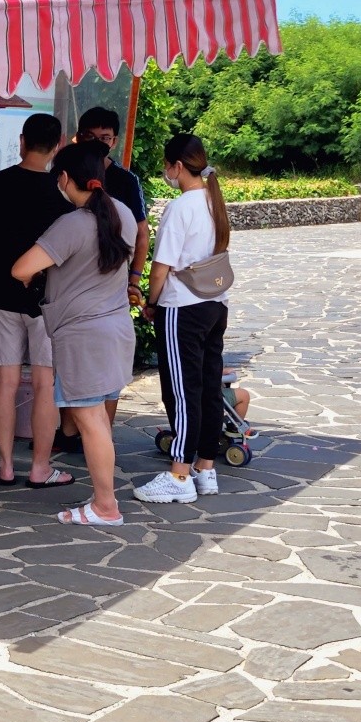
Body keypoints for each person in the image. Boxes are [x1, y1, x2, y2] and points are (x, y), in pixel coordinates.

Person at [12, 140, 135, 526]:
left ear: (65, 179)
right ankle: (104, 501)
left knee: (91, 423)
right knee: (98, 420)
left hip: (83, 335)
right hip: (115, 328)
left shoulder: (73, 224)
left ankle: (105, 506)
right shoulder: (124, 215)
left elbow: (20, 268)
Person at [0, 113, 74, 489]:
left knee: (6, 382)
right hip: (49, 300)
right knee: (46, 383)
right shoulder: (61, 192)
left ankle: (5, 466)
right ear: (58, 145)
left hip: (2, 295)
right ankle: (40, 468)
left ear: (21, 141)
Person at [134, 133, 232, 503]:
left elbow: (160, 268)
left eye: (166, 166)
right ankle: (205, 469)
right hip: (214, 303)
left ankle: (178, 474)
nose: (166, 173)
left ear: (176, 166)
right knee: (206, 387)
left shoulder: (181, 207)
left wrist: (151, 302)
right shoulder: (214, 201)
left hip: (182, 307)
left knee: (181, 390)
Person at [54, 106, 150, 451]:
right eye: (92, 137)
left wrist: (135, 279)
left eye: (106, 138)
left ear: (116, 139)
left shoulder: (125, 182)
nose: (99, 144)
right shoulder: (66, 181)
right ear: (78, 137)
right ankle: (68, 432)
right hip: (71, 291)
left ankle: (99, 437)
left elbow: (142, 234)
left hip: (109, 289)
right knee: (69, 365)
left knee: (108, 371)